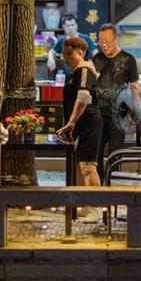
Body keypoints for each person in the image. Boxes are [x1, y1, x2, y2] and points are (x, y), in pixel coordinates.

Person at [55, 37, 104, 224]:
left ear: (81, 53)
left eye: (70, 54)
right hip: (78, 124)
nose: (66, 58)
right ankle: (81, 204)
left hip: (88, 122)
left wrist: (71, 122)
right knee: (78, 165)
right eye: (64, 54)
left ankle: (95, 208)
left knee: (88, 165)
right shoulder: (75, 72)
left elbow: (83, 97)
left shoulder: (85, 70)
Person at [92, 23, 141, 174]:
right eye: (101, 41)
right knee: (96, 153)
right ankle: (99, 183)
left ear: (116, 39)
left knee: (115, 153)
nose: (103, 45)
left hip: (118, 115)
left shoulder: (128, 59)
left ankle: (113, 182)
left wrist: (136, 112)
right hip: (98, 114)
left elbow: (135, 87)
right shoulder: (97, 58)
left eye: (107, 41)